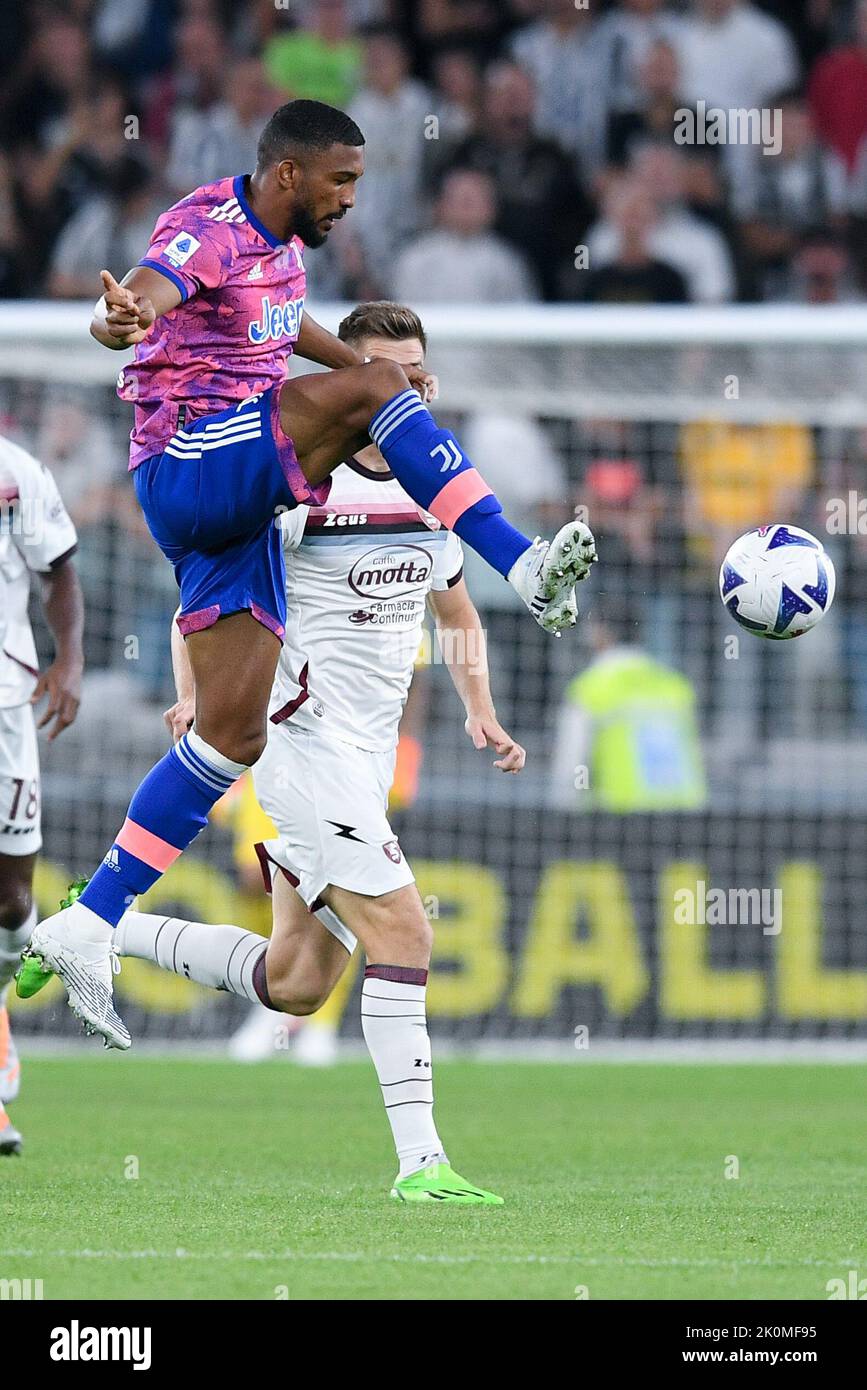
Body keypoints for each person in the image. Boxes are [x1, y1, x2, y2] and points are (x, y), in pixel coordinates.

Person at [21, 100, 596, 1051]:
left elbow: (293, 335)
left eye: (357, 182)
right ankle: (525, 564)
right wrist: (118, 315)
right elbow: (149, 291)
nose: (350, 199)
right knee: (375, 394)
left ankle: (92, 919)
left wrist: (374, 381)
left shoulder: (285, 258)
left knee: (230, 734)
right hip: (193, 459)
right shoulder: (209, 225)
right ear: (288, 173)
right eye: (341, 180)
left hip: (231, 511)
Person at [111, 302, 519, 1202]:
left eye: (413, 376)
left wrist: (479, 711)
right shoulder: (299, 485)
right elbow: (212, 591)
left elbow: (454, 611)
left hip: (368, 758)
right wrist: (195, 694)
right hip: (300, 744)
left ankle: (101, 932)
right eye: (379, 372)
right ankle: (423, 1166)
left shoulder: (434, 492)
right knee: (406, 931)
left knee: (295, 982)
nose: (399, 389)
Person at [0, 434, 84, 1154]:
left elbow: (59, 570)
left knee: (9, 903)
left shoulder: (15, 471)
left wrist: (72, 658)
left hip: (5, 703)